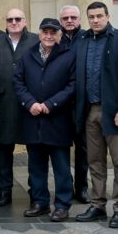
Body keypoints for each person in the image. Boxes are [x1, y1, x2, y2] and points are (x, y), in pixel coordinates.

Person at [72, 2, 118, 228]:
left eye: (99, 16)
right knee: (95, 161)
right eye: (91, 17)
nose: (95, 20)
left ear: (108, 16)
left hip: (115, 111)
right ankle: (98, 204)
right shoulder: (82, 41)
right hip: (90, 110)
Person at [14, 18, 76, 222]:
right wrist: (29, 102)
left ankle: (62, 205)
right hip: (33, 119)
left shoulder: (69, 55)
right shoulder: (27, 55)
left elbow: (72, 85)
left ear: (59, 35)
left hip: (58, 120)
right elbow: (18, 82)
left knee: (61, 167)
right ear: (39, 33)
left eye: (53, 33)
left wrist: (51, 104)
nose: (49, 36)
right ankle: (39, 202)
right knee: (36, 166)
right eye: (45, 32)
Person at [0, 8, 37, 207]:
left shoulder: (35, 41)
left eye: (18, 19)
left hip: (29, 104)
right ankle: (4, 189)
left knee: (34, 150)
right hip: (3, 103)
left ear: (25, 21)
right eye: (10, 19)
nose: (14, 22)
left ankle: (36, 190)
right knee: (3, 149)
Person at [59, 4, 89, 203]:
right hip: (60, 102)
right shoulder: (55, 38)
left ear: (79, 19)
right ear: (60, 21)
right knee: (61, 147)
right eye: (65, 18)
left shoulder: (87, 38)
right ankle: (66, 186)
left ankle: (82, 187)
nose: (69, 21)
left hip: (81, 101)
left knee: (83, 148)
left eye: (73, 17)